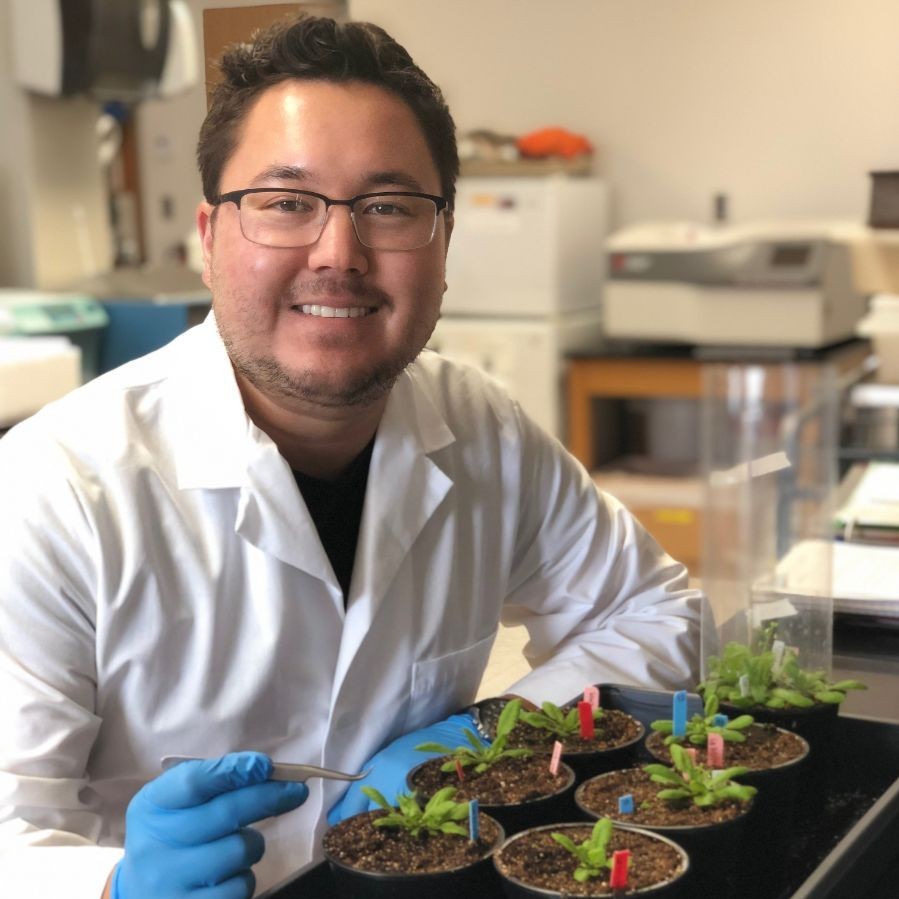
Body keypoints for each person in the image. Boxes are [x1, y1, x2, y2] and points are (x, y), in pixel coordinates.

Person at [0, 13, 705, 899]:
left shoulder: (480, 425)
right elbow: (9, 830)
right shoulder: (53, 487)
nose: (339, 254)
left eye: (389, 207)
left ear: (443, 245)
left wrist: (490, 733)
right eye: (286, 203)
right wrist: (110, 886)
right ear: (210, 237)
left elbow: (656, 613)